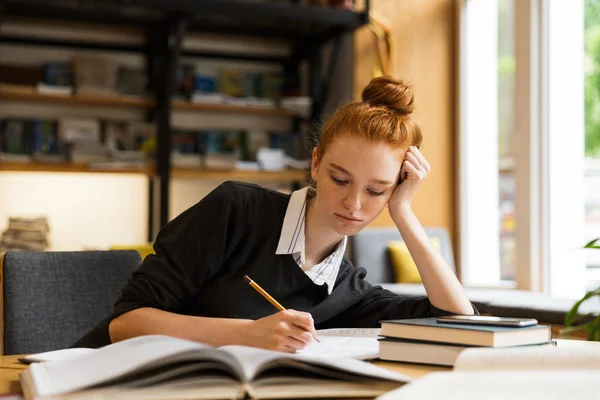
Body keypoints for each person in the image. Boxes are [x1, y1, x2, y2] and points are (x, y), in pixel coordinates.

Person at [74, 76, 476, 352]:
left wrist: (402, 210)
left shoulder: (347, 290)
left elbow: (457, 320)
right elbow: (126, 323)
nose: (354, 204)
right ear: (315, 163)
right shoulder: (236, 210)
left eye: (376, 191)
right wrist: (248, 333)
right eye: (339, 179)